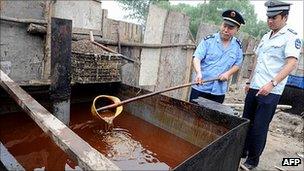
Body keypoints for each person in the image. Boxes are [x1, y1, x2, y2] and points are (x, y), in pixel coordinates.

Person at [241, 0, 302, 170]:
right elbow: (258, 61)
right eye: (268, 17)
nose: (270, 21)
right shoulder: (265, 36)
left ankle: (252, 160)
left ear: (285, 17)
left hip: (271, 90)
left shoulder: (291, 36)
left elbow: (291, 64)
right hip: (255, 86)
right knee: (246, 121)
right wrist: (249, 81)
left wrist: (272, 83)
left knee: (259, 126)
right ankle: (243, 151)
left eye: (273, 18)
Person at [189, 9, 245, 104]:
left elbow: (237, 64)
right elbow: (197, 58)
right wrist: (198, 73)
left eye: (230, 28)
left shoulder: (237, 46)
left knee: (214, 118)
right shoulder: (208, 41)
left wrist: (228, 74)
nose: (226, 30)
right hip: (201, 87)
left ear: (237, 29)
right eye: (224, 26)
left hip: (219, 91)